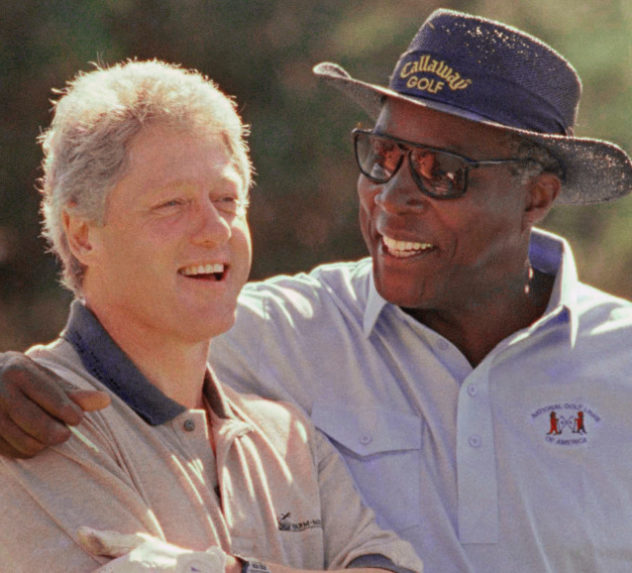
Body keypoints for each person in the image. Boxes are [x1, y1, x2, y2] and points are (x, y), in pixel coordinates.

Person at [1, 8, 632, 572]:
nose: (393, 197)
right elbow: (128, 320)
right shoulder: (280, 327)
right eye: (383, 156)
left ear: (536, 197)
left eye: (443, 173)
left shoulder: (624, 360)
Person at [0, 59, 422, 573]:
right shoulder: (30, 426)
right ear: (83, 233)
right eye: (171, 204)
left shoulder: (288, 437)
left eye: (226, 199)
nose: (214, 230)